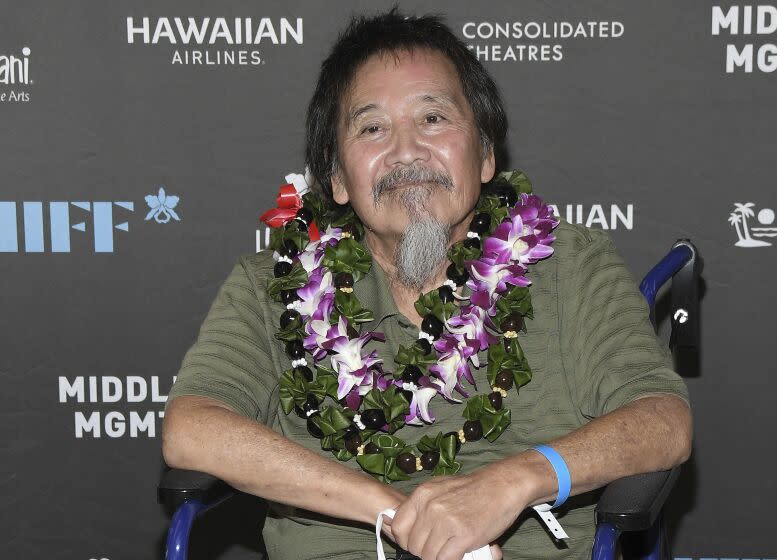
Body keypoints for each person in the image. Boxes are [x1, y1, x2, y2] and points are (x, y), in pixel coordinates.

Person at [163, 10, 692, 560]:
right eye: (372, 128)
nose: (406, 151)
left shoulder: (569, 265)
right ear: (338, 180)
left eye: (433, 118)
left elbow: (662, 421)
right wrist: (394, 512)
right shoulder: (273, 285)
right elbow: (192, 428)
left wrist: (510, 484)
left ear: (486, 154)